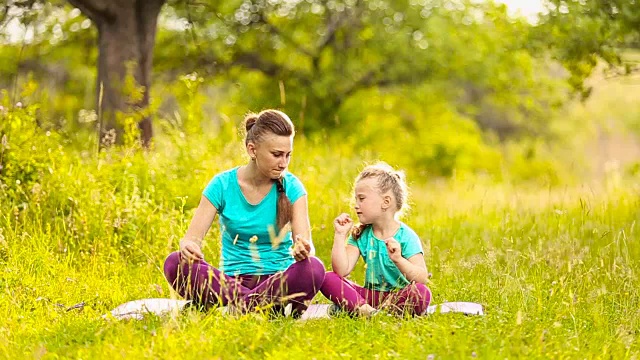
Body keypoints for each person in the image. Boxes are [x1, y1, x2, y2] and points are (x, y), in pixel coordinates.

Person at [163, 109, 325, 317]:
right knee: (175, 263)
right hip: (230, 283)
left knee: (314, 268)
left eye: (288, 155)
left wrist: (303, 250)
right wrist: (189, 246)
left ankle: (238, 308)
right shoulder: (222, 185)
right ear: (252, 150)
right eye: (276, 154)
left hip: (278, 282)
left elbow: (306, 248)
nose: (283, 163)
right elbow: (190, 239)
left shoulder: (293, 187)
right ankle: (263, 308)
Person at [320, 162, 431, 317]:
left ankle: (358, 310)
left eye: (362, 199)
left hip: (398, 296)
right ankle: (367, 312)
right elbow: (341, 271)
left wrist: (398, 259)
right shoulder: (361, 234)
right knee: (327, 278)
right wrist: (340, 235)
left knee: (421, 292)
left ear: (385, 202)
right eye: (356, 199)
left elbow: (422, 277)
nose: (356, 205)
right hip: (369, 298)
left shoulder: (406, 236)